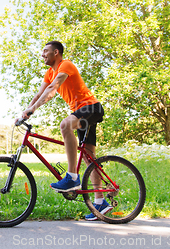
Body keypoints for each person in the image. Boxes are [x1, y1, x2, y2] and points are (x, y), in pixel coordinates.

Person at [20, 41, 110, 221]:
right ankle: (101, 202)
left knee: (65, 125)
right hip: (82, 112)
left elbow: (53, 89)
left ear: (56, 52)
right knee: (88, 157)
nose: (42, 54)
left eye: (45, 51)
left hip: (90, 108)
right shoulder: (49, 72)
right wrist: (25, 112)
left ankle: (72, 177)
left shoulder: (65, 65)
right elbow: (39, 94)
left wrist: (34, 109)